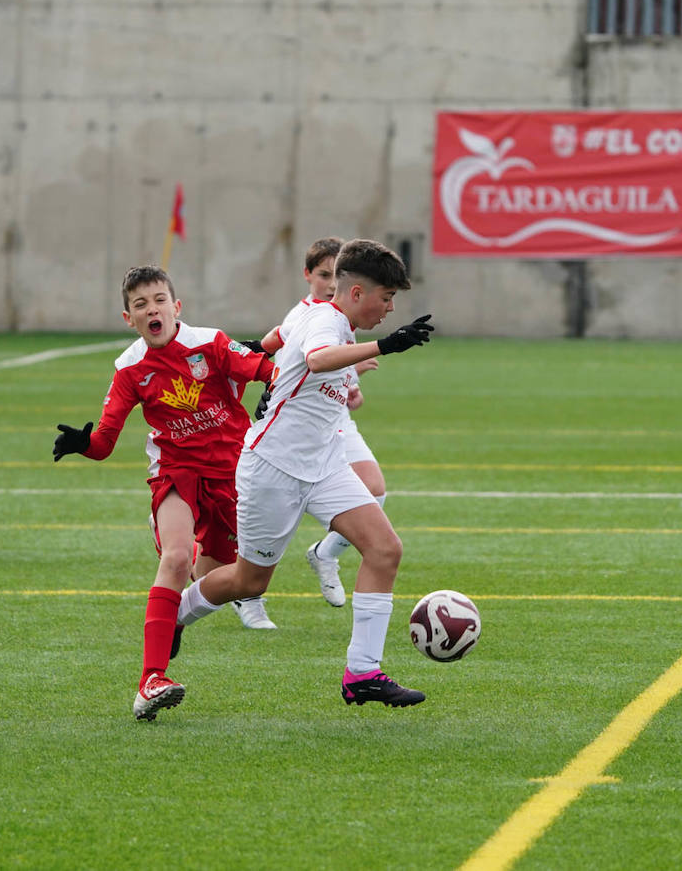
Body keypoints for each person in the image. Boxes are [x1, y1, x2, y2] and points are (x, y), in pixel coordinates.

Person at [173, 238, 435, 710]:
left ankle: (362, 674)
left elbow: (317, 377)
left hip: (324, 464)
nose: (391, 308)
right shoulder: (322, 320)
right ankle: (174, 613)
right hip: (274, 468)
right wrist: (389, 345)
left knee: (384, 549)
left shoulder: (345, 327)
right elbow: (315, 359)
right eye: (387, 298)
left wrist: (357, 372)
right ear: (356, 294)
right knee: (248, 583)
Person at [51, 265, 275, 721]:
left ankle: (171, 616)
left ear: (177, 307)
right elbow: (105, 442)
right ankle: (150, 679)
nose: (151, 309)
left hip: (233, 477)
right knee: (174, 559)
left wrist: (280, 387)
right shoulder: (130, 367)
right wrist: (83, 444)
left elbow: (267, 370)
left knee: (218, 579)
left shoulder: (209, 343)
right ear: (127, 317)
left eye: (158, 300)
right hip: (175, 474)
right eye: (140, 305)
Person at [252, 237, 388, 610]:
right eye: (324, 275)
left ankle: (325, 553)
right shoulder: (308, 315)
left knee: (375, 491)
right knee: (258, 553)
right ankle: (245, 593)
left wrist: (352, 384)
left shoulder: (346, 316)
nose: (330, 283)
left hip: (334, 421)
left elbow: (336, 369)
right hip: (295, 430)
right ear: (308, 275)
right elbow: (278, 349)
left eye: (336, 274)